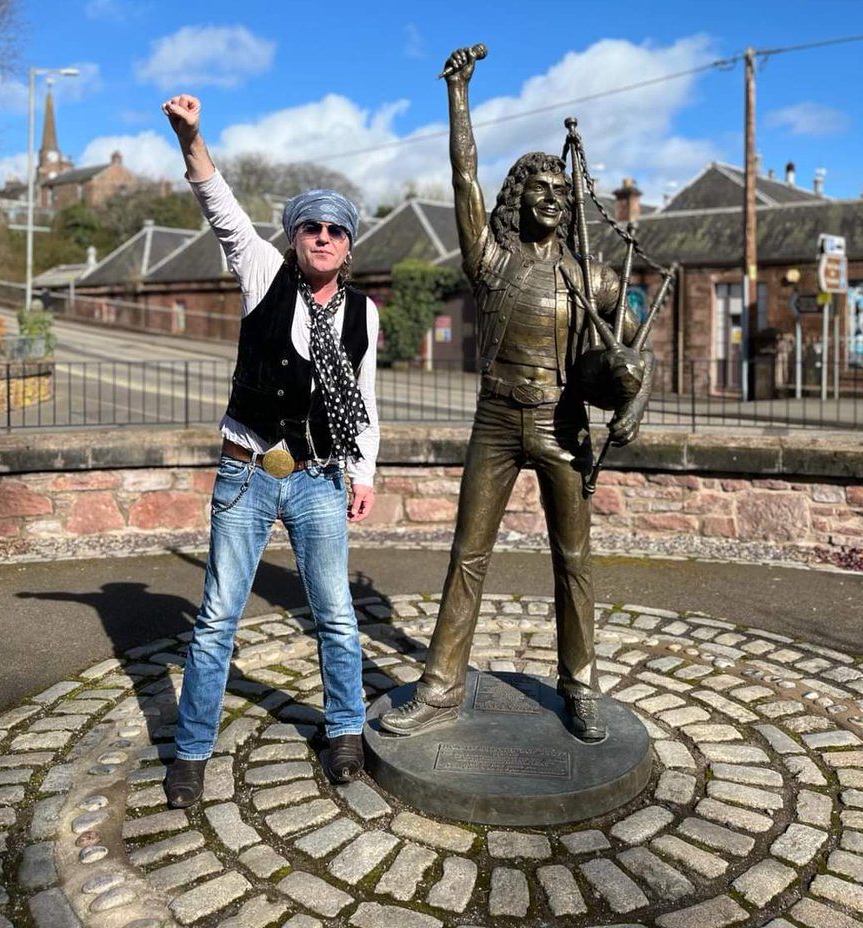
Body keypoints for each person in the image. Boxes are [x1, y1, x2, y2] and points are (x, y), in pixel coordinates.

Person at [380, 48, 653, 743]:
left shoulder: (592, 280)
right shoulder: (490, 260)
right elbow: (463, 174)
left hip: (564, 425)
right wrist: (459, 97)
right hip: (497, 421)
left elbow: (634, 358)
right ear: (518, 197)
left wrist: (632, 406)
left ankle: (579, 684)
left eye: (561, 191)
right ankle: (440, 688)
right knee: (468, 555)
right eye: (538, 188)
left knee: (574, 559)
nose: (552, 198)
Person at [161, 94, 379, 807]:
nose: (321, 237)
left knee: (337, 614)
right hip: (247, 473)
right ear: (293, 236)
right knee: (219, 615)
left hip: (319, 477)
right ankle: (192, 751)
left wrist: (364, 471)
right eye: (310, 227)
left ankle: (345, 731)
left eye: (334, 230)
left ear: (349, 246)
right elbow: (215, 198)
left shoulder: (364, 313)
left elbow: (366, 401)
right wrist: (192, 137)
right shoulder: (260, 271)